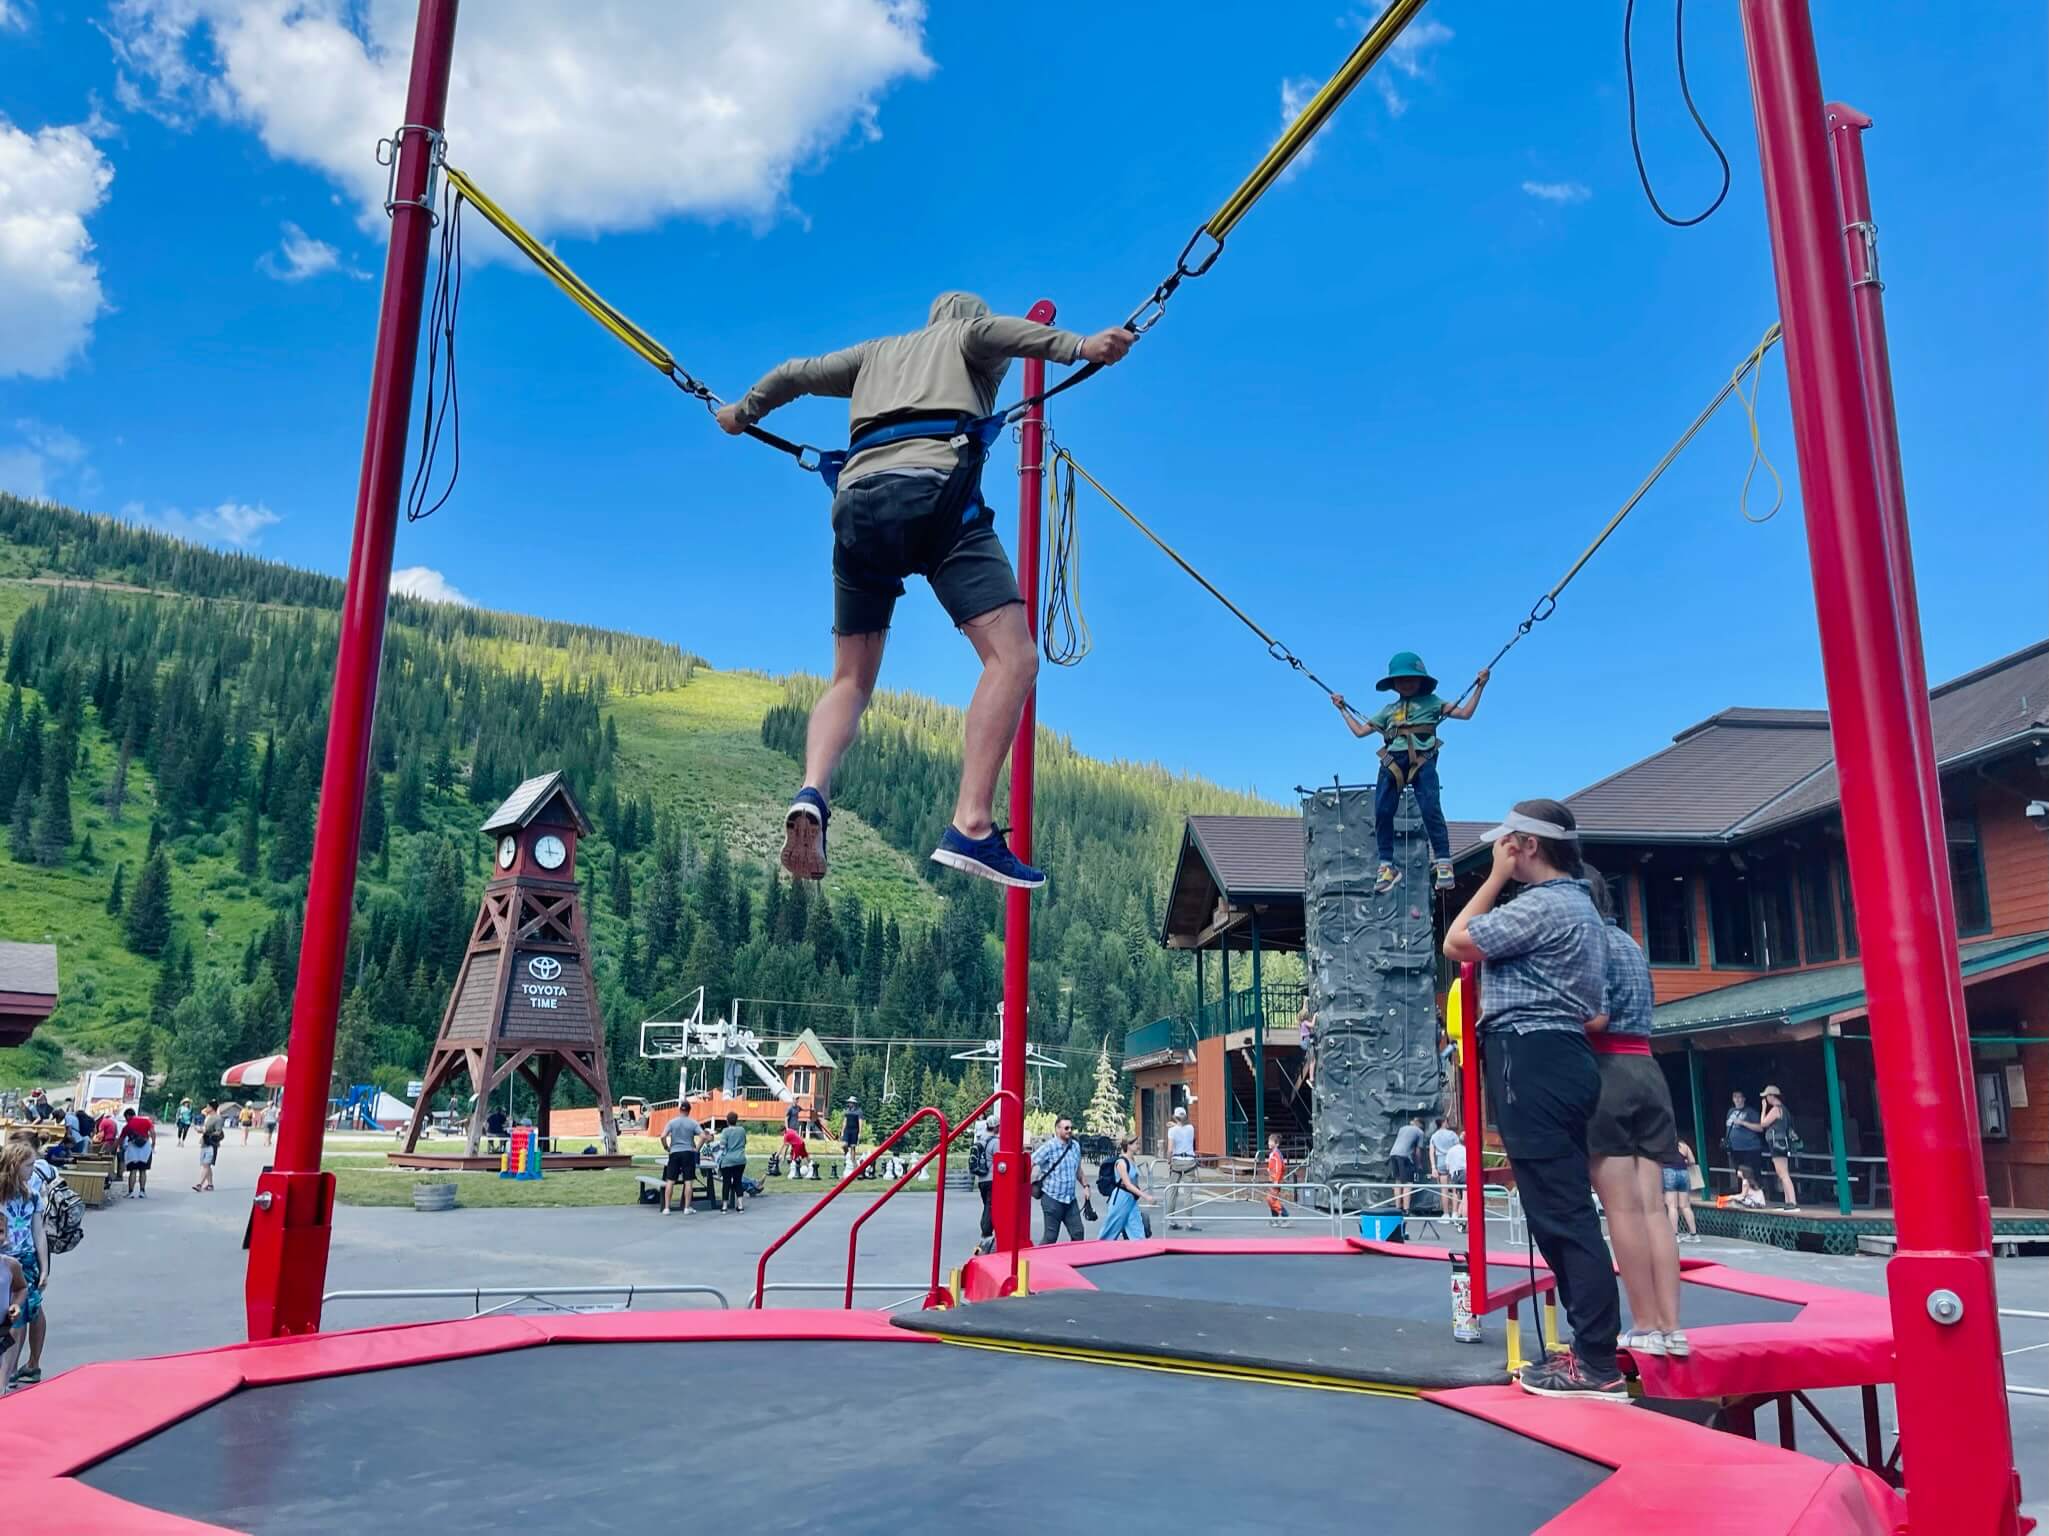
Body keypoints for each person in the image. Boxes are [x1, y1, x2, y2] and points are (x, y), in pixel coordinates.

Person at [716, 294, 1136, 892]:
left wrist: (742, 412)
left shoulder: (873, 354)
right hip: (935, 500)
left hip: (856, 508)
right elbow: (1006, 333)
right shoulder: (967, 337)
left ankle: (812, 790)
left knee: (850, 680)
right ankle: (971, 822)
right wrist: (1080, 347)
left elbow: (793, 373)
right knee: (1011, 659)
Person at [1443, 799, 1624, 1401]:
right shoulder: (1585, 910)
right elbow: (1596, 1010)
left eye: (1506, 845)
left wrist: (1493, 878)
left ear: (1525, 846)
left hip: (1532, 1055)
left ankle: (1595, 1361)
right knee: (1563, 1209)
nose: (1500, 853)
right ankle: (1593, 1352)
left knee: (1561, 1213)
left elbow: (1458, 941)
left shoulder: (1545, 904)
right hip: (1563, 1055)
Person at [1583, 874, 1687, 1360]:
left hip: (1607, 1068)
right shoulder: (1630, 943)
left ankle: (1643, 1322)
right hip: (1648, 1066)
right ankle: (1670, 1326)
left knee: (1621, 1209)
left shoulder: (1587, 941)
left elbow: (1596, 1017)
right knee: (1654, 1210)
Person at [1331, 654, 1489, 894]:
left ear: (1420, 681)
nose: (1406, 684)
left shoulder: (1433, 702)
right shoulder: (1388, 710)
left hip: (1422, 760)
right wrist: (1342, 709)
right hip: (1392, 762)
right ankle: (1386, 865)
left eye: (1411, 679)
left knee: (1430, 808)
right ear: (1394, 684)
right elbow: (1360, 732)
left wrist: (1480, 686)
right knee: (1383, 811)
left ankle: (1444, 861)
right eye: (1401, 680)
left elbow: (1465, 713)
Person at [5, 1132, 56, 1388]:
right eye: (29, 1166)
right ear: (15, 1165)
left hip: (26, 1260)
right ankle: (9, 1370)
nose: (33, 1170)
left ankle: (9, 1373)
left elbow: (39, 1232)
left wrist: (44, 1266)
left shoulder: (32, 1196)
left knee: (23, 1313)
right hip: (4, 1259)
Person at [1030, 1118, 1089, 1244]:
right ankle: (1039, 1261)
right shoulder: (1049, 1147)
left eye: (1071, 1128)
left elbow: (1078, 1169)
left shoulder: (1075, 1146)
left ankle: (1073, 1260)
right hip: (1052, 1199)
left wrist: (1086, 1186)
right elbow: (1030, 1162)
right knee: (1050, 1237)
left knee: (1078, 1233)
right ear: (1057, 1129)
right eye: (1066, 1128)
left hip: (1070, 1200)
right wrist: (1024, 1182)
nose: (1070, 1131)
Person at [1097, 1135, 1150, 1241]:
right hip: (1120, 1198)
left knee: (1137, 1229)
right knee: (1110, 1229)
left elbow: (1133, 1182)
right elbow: (1127, 1184)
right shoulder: (1121, 1162)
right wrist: (1145, 1196)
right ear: (1129, 1145)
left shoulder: (1132, 1160)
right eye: (1136, 1144)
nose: (1138, 1146)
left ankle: (1141, 1248)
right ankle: (1099, 1249)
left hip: (1131, 1199)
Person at [1759, 1086, 1800, 1210]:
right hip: (1782, 1142)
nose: (1766, 1099)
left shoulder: (1776, 1109)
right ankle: (1788, 1201)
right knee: (1783, 1172)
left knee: (1783, 1173)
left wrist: (1764, 1108)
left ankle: (1792, 1201)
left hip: (1777, 1143)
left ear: (1772, 1096)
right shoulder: (1785, 1110)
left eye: (1767, 1096)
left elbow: (1763, 1123)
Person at [1724, 1091, 1767, 1208]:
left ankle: (1757, 1199)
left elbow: (1760, 1128)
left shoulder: (1751, 1112)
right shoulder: (1730, 1112)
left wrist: (1743, 1123)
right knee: (1739, 1175)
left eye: (1739, 1097)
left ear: (1744, 1099)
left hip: (1750, 1148)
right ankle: (1742, 1197)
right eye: (1735, 1097)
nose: (1737, 1100)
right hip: (1735, 1148)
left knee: (1752, 1175)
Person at [1162, 1104, 1200, 1231]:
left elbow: (1170, 1149)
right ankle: (1189, 1222)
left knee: (1172, 1191)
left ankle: (1171, 1220)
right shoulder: (1191, 1128)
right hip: (1189, 1161)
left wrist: (1169, 1160)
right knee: (1188, 1193)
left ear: (1174, 1117)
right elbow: (1183, 1127)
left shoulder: (1172, 1131)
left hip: (1177, 1161)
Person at [660, 1108, 702, 1215]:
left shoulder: (672, 1122)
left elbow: (663, 1136)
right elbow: (703, 1136)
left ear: (680, 1110)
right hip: (688, 1152)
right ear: (689, 1110)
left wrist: (666, 1147)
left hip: (674, 1152)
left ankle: (667, 1208)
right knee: (688, 1181)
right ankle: (687, 1207)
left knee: (670, 1180)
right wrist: (697, 1149)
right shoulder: (693, 1123)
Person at [970, 1115, 997, 1253]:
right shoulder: (995, 1142)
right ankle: (986, 1235)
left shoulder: (981, 1139)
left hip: (981, 1179)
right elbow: (1000, 1160)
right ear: (997, 1127)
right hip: (992, 1179)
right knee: (990, 1206)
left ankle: (987, 1231)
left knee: (987, 1204)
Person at [1428, 1117, 1464, 1223]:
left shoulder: (1434, 1136)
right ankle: (1455, 1213)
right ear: (1444, 1123)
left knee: (1444, 1189)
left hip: (1440, 1161)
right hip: (1453, 1161)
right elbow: (1458, 1148)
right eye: (1447, 1121)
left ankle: (1445, 1214)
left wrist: (1433, 1167)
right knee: (1454, 1189)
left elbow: (1431, 1152)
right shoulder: (1452, 1134)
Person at [1665, 1140, 1702, 1243]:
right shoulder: (1684, 1146)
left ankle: (1675, 1235)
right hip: (1683, 1173)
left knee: (1672, 1206)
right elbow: (1692, 1161)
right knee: (1685, 1206)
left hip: (1669, 1172)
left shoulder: (1663, 1144)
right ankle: (1694, 1235)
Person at [1389, 1114, 1426, 1213]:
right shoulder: (1420, 1132)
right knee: (1408, 1183)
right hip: (1404, 1156)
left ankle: (1397, 1208)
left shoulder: (1402, 1128)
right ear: (1421, 1125)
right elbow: (1418, 1151)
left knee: (1398, 1181)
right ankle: (1406, 1209)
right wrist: (1419, 1164)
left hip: (1393, 1154)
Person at [119, 1107, 156, 1199]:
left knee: (133, 1171)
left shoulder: (127, 1126)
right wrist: (153, 1144)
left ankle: (131, 1192)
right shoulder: (146, 1121)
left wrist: (119, 1147)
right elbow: (152, 1132)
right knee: (143, 1171)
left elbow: (121, 1139)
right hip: (145, 1148)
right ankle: (142, 1191)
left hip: (133, 1148)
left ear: (127, 1116)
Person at [717, 1115, 749, 1213]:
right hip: (740, 1159)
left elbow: (722, 1146)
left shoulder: (725, 1131)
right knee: (737, 1181)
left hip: (728, 1160)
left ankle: (724, 1206)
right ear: (736, 1120)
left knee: (726, 1182)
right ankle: (740, 1205)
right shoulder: (742, 1130)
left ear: (727, 1121)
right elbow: (744, 1142)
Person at [193, 1101, 225, 1193]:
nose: (206, 1108)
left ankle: (200, 1184)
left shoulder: (218, 1118)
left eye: (208, 1106)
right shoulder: (207, 1117)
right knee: (205, 1165)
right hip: (204, 1142)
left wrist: (205, 1131)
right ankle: (210, 1184)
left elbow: (218, 1131)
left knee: (206, 1164)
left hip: (212, 1143)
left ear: (212, 1108)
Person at [1263, 1133, 1289, 1224]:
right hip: (1273, 1179)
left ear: (1276, 1143)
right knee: (1271, 1199)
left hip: (1275, 1180)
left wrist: (1277, 1180)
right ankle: (1275, 1218)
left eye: (1271, 1141)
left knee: (1271, 1199)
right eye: (1269, 1141)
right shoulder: (1273, 1154)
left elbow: (1279, 1168)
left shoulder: (1276, 1154)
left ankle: (1285, 1216)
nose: (1269, 1143)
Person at [839, 1099, 863, 1173]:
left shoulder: (859, 1111)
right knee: (844, 1145)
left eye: (850, 1102)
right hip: (847, 1130)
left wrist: (860, 1132)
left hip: (854, 1130)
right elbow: (845, 1121)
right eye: (849, 1102)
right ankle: (847, 1157)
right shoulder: (847, 1111)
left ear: (854, 1103)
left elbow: (860, 1122)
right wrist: (842, 1131)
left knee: (853, 1147)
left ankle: (852, 1162)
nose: (849, 1103)